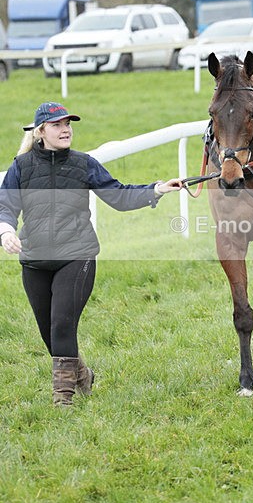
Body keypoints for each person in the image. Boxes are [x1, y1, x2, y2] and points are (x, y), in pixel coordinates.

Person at [0, 102, 182, 407]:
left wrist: (157, 189)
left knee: (61, 324)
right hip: (34, 260)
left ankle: (64, 398)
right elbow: (6, 206)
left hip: (77, 254)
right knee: (49, 333)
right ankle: (82, 374)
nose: (66, 129)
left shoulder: (84, 164)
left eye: (68, 124)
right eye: (58, 125)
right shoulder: (21, 167)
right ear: (41, 132)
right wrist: (6, 230)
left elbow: (119, 196)